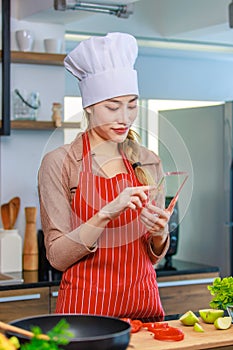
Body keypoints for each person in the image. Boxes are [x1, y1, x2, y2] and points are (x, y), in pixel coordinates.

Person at [38, 32, 172, 321]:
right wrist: (105, 213)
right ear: (88, 106)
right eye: (112, 106)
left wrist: (161, 232)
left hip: (145, 310)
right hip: (86, 317)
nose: (124, 117)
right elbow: (57, 257)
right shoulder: (60, 163)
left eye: (132, 104)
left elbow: (153, 255)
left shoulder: (149, 161)